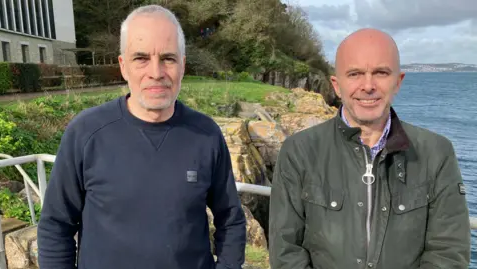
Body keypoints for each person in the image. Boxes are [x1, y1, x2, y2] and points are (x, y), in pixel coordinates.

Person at [37, 4, 246, 269]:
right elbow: (56, 226)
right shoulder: (85, 133)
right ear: (123, 66)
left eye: (168, 58)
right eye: (141, 58)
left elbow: (231, 219)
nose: (156, 72)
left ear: (182, 65)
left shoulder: (206, 134)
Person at [268, 28, 471, 269]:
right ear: (336, 85)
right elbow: (286, 251)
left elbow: (448, 253)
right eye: (354, 74)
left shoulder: (436, 153)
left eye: (381, 73)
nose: (368, 86)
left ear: (398, 82)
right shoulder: (299, 151)